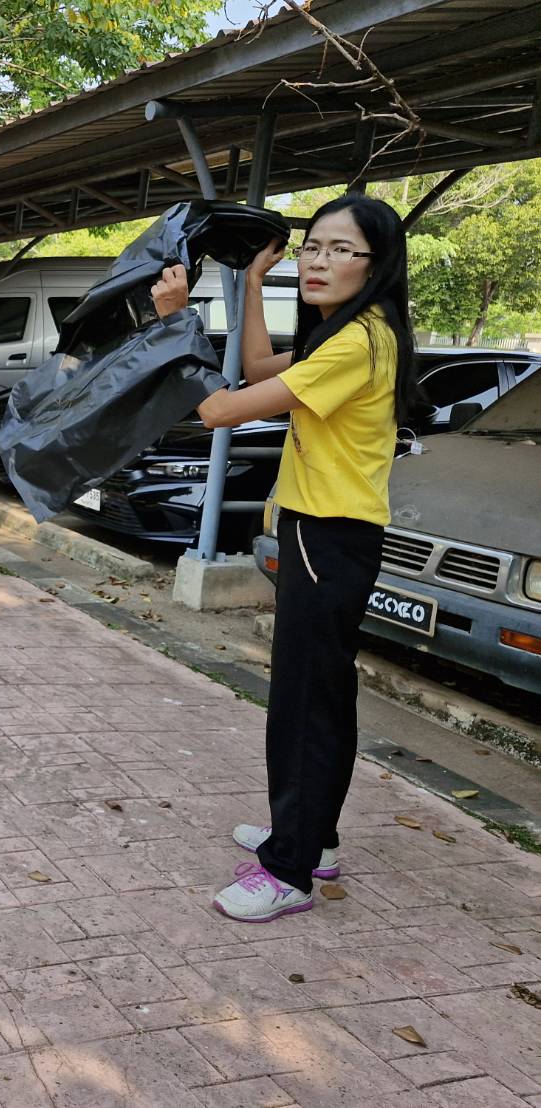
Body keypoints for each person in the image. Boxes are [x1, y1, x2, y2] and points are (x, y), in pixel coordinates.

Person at [151, 194, 419, 923]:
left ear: (376, 263)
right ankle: (311, 837)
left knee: (302, 705)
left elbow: (219, 410)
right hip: (327, 535)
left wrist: (176, 319)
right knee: (321, 697)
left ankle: (289, 872)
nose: (319, 261)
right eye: (312, 247)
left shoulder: (357, 342)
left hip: (326, 537)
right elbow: (258, 364)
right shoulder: (353, 334)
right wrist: (247, 285)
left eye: (341, 250)